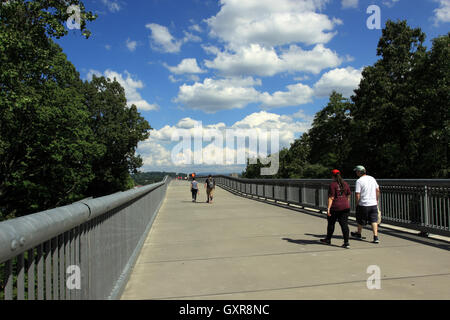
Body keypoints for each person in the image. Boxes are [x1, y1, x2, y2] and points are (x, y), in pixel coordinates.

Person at [320, 169, 352, 249]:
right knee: (344, 224)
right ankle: (346, 242)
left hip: (335, 207)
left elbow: (331, 197)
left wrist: (328, 208)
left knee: (331, 223)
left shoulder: (333, 185)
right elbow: (348, 195)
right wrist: (347, 204)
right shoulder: (345, 184)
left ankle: (328, 239)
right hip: (345, 207)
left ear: (332, 176)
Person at [351, 165, 381, 244]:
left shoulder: (359, 181)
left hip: (363, 204)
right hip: (373, 203)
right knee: (374, 220)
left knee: (360, 219)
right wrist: (376, 200)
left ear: (359, 172)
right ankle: (375, 237)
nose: (356, 173)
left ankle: (359, 233)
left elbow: (357, 194)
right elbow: (377, 190)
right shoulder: (372, 178)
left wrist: (357, 203)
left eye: (356, 171)